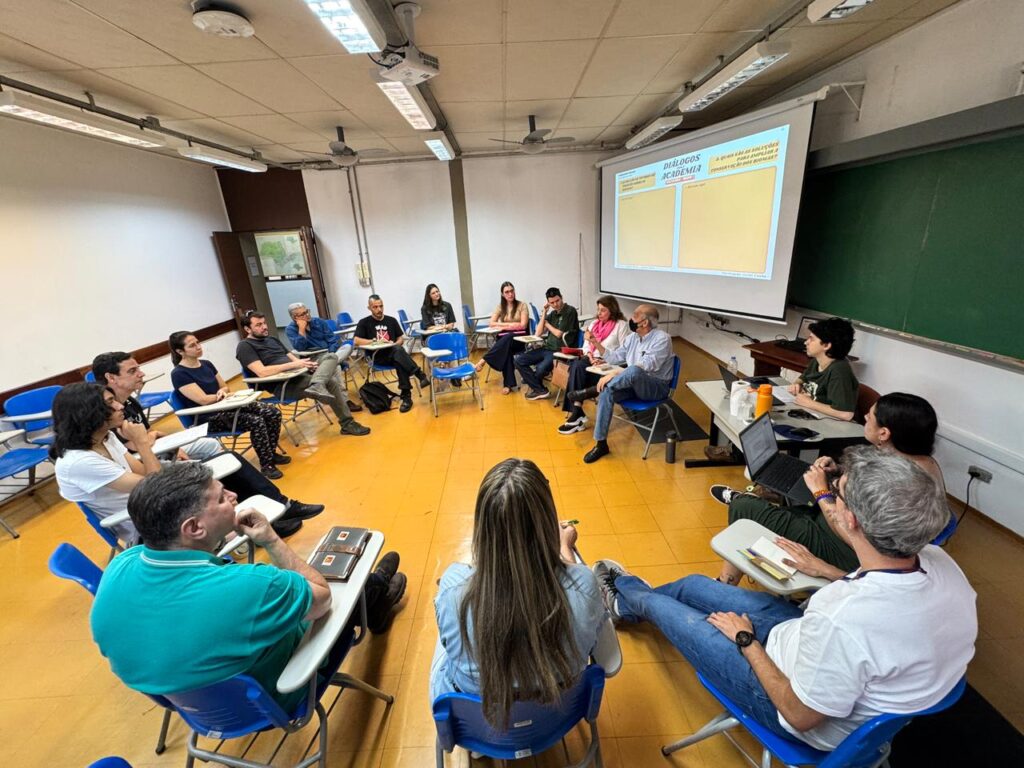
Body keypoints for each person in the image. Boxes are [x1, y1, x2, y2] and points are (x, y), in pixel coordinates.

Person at [594, 447, 976, 753]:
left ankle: (625, 594)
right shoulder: (939, 563)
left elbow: (798, 713)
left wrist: (747, 642)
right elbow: (881, 596)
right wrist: (826, 568)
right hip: (804, 647)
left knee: (663, 607)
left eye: (836, 494)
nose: (831, 498)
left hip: (787, 705)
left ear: (853, 520)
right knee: (693, 585)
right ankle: (628, 602)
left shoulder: (841, 614)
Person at [90, 462, 407, 712]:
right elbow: (321, 599)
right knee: (340, 591)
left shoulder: (121, 565)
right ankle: (375, 591)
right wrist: (270, 538)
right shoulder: (252, 587)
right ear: (194, 527)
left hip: (192, 708)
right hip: (277, 695)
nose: (233, 497)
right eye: (220, 497)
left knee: (298, 594)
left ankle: (376, 593)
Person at [430, 459, 605, 726]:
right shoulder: (586, 584)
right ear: (547, 521)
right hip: (555, 717)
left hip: (478, 719)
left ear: (482, 528)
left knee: (445, 628)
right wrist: (565, 550)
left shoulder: (454, 587)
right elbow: (580, 599)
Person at [710, 392, 946, 584]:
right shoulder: (912, 460)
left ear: (884, 433)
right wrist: (838, 472)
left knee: (744, 507)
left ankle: (725, 582)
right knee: (788, 497)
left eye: (870, 416)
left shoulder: (904, 480)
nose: (864, 416)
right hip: (841, 528)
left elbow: (855, 533)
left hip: (847, 548)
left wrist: (822, 492)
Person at [51, 383, 320, 544]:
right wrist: (142, 442)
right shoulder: (79, 461)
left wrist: (148, 451)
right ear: (89, 413)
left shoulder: (105, 437)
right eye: (111, 403)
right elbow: (154, 486)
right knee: (212, 486)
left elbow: (145, 473)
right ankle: (255, 526)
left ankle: (279, 508)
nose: (121, 406)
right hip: (144, 519)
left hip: (155, 499)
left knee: (227, 461)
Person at [165, 335, 287, 478]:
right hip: (206, 418)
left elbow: (224, 386)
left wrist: (222, 393)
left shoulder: (206, 364)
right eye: (192, 345)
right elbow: (203, 400)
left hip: (225, 407)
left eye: (198, 342)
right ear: (180, 351)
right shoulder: (179, 374)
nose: (198, 346)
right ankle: (267, 465)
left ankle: (270, 453)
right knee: (255, 421)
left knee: (272, 412)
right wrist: (222, 396)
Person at [236, 312, 369, 436]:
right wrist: (296, 365)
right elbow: (262, 372)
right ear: (247, 329)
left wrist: (307, 365)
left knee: (330, 357)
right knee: (331, 383)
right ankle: (347, 423)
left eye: (264, 323)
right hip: (284, 385)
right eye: (258, 325)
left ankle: (317, 383)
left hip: (300, 375)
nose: (264, 327)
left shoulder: (272, 339)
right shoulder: (245, 346)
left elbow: (293, 358)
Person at [573, 304, 675, 464]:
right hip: (633, 384)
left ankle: (591, 391)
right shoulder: (632, 338)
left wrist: (614, 373)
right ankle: (600, 444)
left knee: (633, 371)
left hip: (656, 387)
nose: (631, 319)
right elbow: (614, 358)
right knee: (607, 392)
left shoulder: (663, 339)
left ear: (645, 322)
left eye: (635, 316)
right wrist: (595, 342)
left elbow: (647, 366)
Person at [557, 295, 629, 434]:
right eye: (598, 310)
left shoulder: (621, 325)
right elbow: (585, 347)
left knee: (576, 369)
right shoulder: (593, 324)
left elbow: (624, 354)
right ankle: (577, 411)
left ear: (612, 311)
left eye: (603, 310)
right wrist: (590, 357)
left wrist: (603, 358)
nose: (599, 313)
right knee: (577, 364)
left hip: (609, 364)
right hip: (591, 362)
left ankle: (576, 412)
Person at [353, 294, 431, 413]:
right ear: (369, 308)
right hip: (377, 357)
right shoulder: (364, 322)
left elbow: (400, 339)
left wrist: (395, 344)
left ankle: (406, 396)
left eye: (381, 306)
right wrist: (375, 341)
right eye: (375, 307)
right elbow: (356, 341)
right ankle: (419, 375)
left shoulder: (391, 320)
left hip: (393, 353)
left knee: (398, 356)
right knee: (399, 355)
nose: (379, 309)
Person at [284, 303, 362, 413]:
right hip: (312, 358)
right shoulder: (290, 329)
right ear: (294, 317)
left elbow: (333, 340)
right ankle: (345, 401)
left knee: (348, 346)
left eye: (307, 311)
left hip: (330, 353)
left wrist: (331, 354)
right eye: (303, 314)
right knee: (336, 367)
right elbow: (299, 347)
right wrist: (301, 330)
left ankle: (330, 364)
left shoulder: (319, 322)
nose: (307, 315)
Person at [513, 287, 579, 401]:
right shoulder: (552, 314)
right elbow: (538, 333)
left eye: (557, 301)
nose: (555, 304)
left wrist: (547, 324)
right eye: (552, 302)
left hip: (560, 351)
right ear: (548, 302)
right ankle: (540, 389)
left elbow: (559, 334)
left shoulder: (570, 311)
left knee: (540, 368)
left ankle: (537, 388)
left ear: (561, 297)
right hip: (547, 348)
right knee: (519, 360)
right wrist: (544, 313)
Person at [789, 316, 859, 421]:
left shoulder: (839, 371)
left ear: (826, 345)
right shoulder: (817, 360)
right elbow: (803, 378)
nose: (805, 342)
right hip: (812, 415)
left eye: (811, 339)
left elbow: (846, 414)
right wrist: (797, 384)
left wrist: (809, 403)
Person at [473, 281, 530, 395]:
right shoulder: (500, 306)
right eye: (507, 292)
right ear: (503, 294)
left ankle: (483, 361)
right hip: (505, 339)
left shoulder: (522, 305)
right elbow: (491, 323)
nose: (510, 294)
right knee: (506, 349)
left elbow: (523, 325)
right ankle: (508, 384)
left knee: (507, 339)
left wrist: (503, 325)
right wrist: (510, 325)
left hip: (520, 339)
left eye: (512, 291)